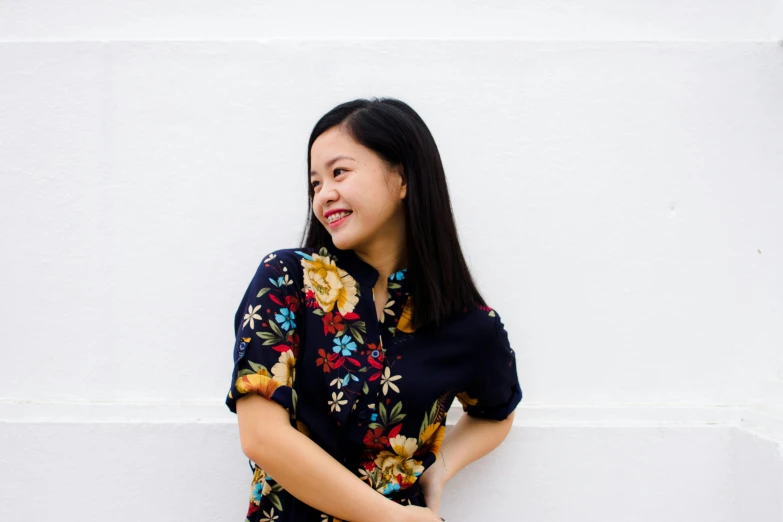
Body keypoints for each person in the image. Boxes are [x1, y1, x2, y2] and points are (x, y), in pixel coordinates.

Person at [225, 97, 523, 522]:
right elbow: (261, 438)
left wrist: (440, 468)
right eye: (314, 183)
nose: (324, 194)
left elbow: (497, 411)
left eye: (339, 172)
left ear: (402, 178)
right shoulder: (287, 279)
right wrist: (392, 519)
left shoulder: (468, 323)